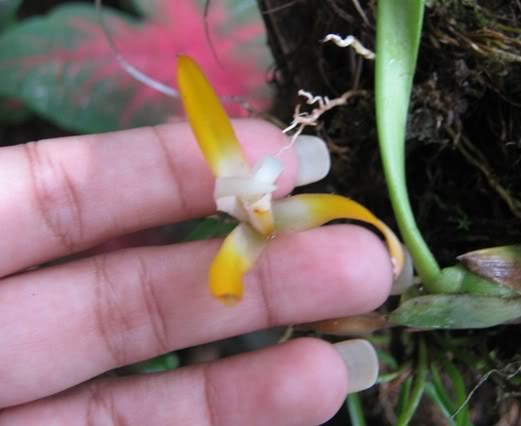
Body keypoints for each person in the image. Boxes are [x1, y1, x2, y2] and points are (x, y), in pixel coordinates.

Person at [0, 118, 393, 425]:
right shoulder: (242, 234)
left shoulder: (258, 218)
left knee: (361, 253)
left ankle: (392, 257)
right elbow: (226, 278)